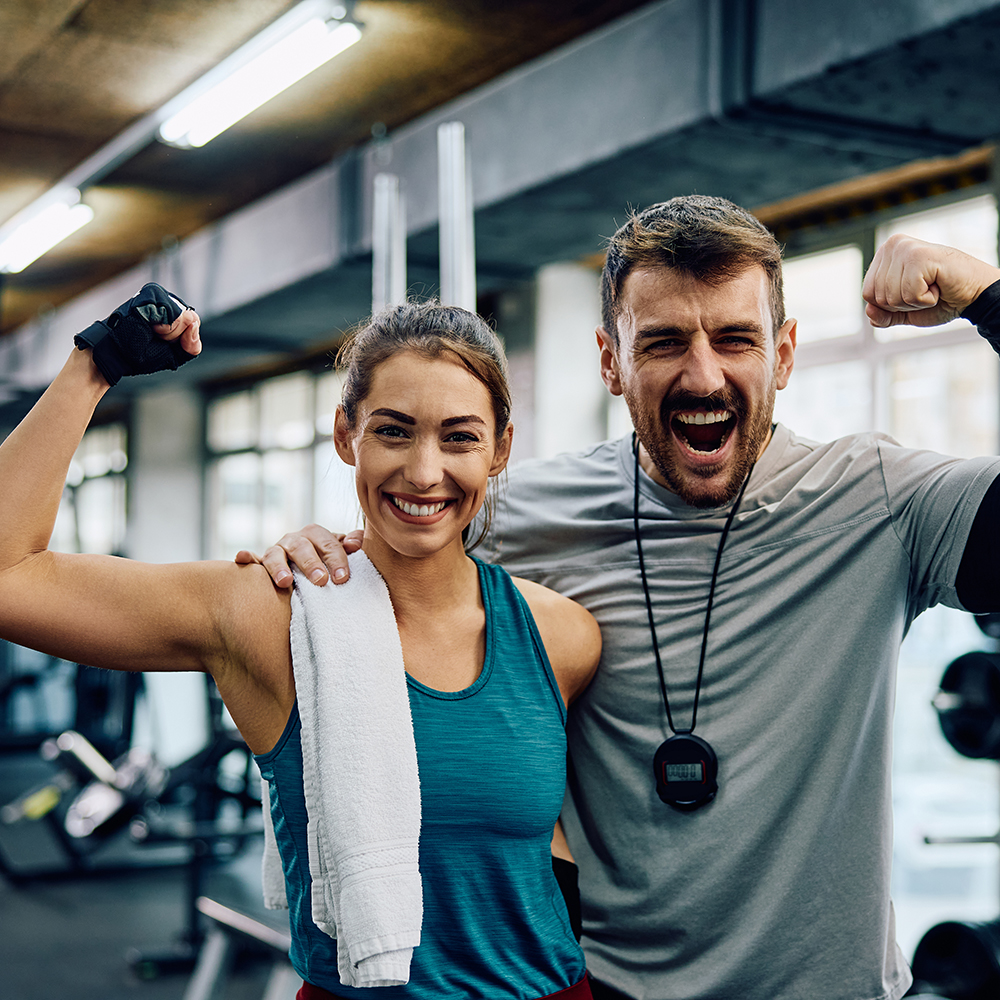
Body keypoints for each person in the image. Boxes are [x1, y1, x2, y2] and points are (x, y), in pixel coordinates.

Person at [246, 195, 1000, 1000]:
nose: (703, 374)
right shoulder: (520, 517)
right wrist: (317, 559)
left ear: (783, 355)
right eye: (665, 341)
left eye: (736, 339)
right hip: (599, 988)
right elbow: (401, 534)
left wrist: (986, 295)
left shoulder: (879, 502)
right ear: (611, 360)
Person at [0, 292, 602, 1000]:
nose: (424, 471)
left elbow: (541, 851)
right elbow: (11, 576)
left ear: (500, 449)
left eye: (460, 437)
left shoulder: (562, 636)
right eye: (394, 431)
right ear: (347, 436)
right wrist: (93, 364)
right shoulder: (270, 613)